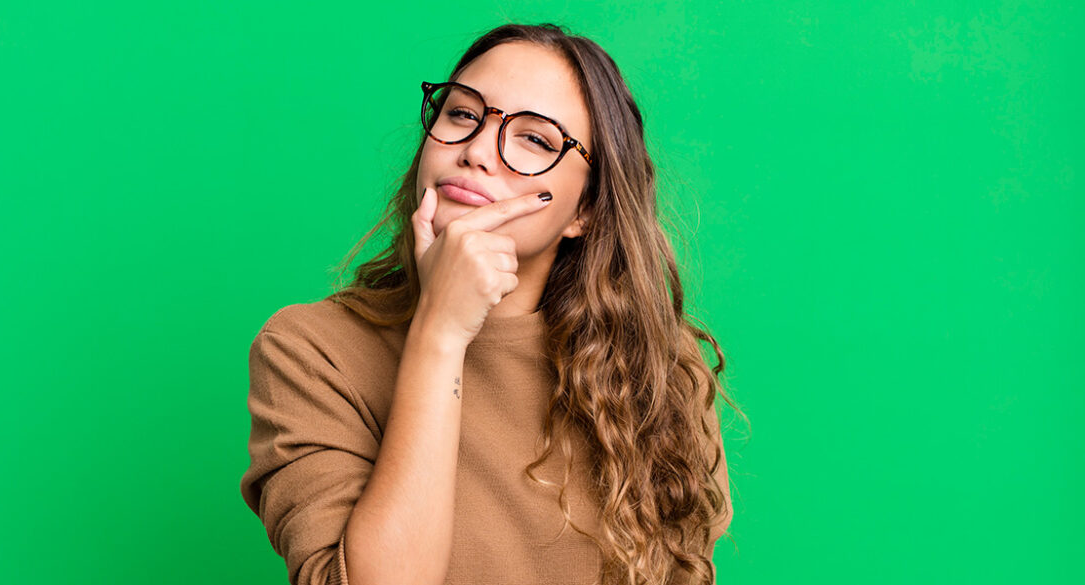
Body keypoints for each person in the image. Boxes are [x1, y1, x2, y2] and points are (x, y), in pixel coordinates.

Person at [240, 22, 743, 585]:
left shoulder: (655, 371)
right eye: (461, 113)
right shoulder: (312, 352)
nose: (477, 150)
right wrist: (440, 331)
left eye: (536, 138)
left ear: (585, 209)